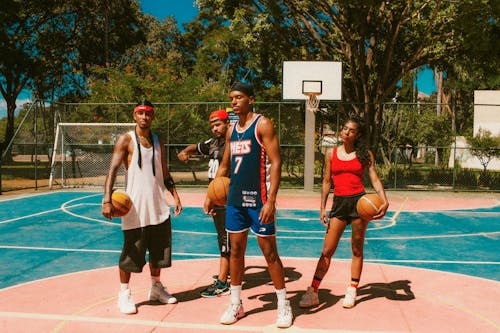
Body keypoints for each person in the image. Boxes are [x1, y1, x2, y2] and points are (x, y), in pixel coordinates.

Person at [204, 82, 292, 328]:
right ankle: (235, 303)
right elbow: (225, 165)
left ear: (251, 99)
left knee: (270, 253)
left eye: (239, 97)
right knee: (235, 252)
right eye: (231, 98)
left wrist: (271, 200)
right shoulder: (231, 130)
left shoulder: (262, 124)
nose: (234, 102)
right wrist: (211, 194)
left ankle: (283, 304)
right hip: (235, 200)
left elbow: (276, 163)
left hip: (259, 199)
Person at [299, 116, 389, 309]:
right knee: (327, 250)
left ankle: (352, 289)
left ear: (358, 135)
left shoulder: (365, 155)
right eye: (345, 128)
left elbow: (374, 179)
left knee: (356, 249)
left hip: (359, 204)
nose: (346, 132)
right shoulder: (331, 153)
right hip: (339, 204)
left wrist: (385, 200)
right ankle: (313, 290)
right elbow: (326, 181)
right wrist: (322, 207)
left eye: (351, 130)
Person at [102, 99, 182, 314]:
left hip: (158, 206)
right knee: (131, 254)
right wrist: (107, 199)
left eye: (148, 113)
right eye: (140, 113)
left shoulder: (158, 140)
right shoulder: (126, 140)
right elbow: (112, 170)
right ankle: (124, 293)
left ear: (153, 116)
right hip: (135, 209)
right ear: (134, 115)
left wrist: (174, 195)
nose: (144, 117)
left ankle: (156, 288)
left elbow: (163, 172)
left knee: (159, 253)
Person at [177, 109, 231, 298]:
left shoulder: (232, 144)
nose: (215, 129)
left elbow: (224, 171)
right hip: (217, 198)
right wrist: (185, 151)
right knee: (223, 238)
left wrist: (209, 197)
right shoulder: (213, 142)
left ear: (227, 123)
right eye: (212, 126)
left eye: (218, 124)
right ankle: (229, 272)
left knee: (226, 240)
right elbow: (196, 146)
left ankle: (223, 282)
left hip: (227, 199)